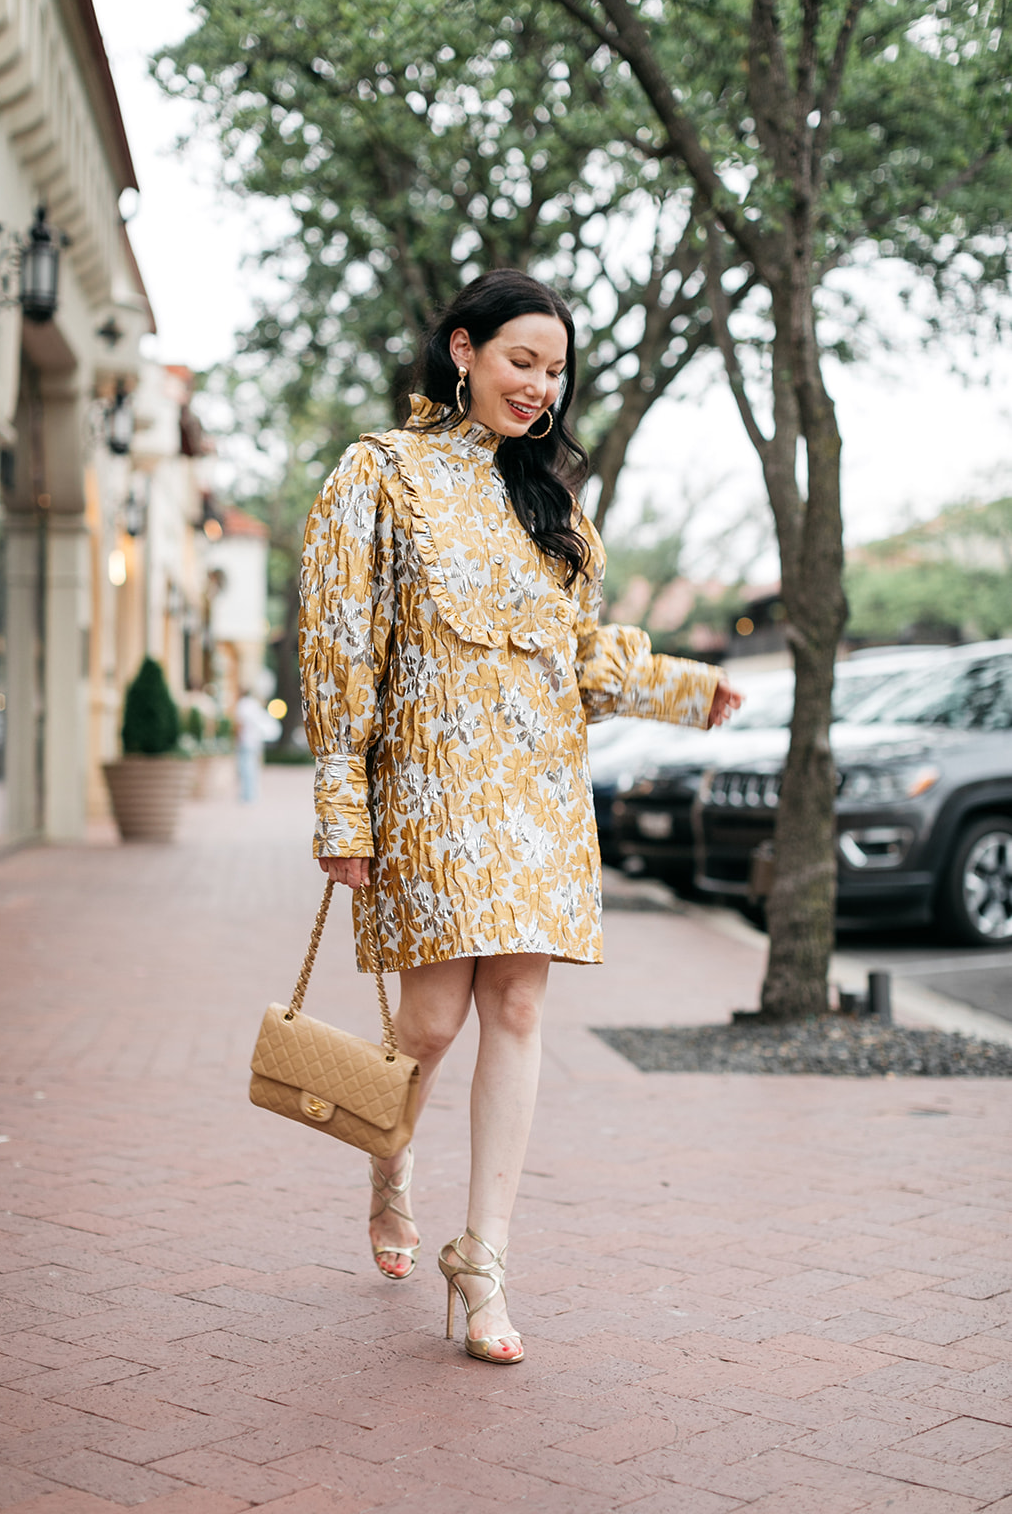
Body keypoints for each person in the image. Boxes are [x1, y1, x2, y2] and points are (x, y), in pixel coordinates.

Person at [298, 269, 741, 1365]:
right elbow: (339, 645)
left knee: (520, 1005)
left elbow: (581, 654)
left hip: (539, 788)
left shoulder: (553, 500)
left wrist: (684, 687)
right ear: (463, 351)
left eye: (553, 370)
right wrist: (341, 806)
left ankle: (482, 1260)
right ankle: (388, 1153)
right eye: (520, 361)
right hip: (429, 788)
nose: (540, 387)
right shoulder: (380, 473)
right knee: (434, 1024)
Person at [233, 689, 276, 803]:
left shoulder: (242, 705)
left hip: (245, 741)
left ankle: (246, 795)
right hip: (256, 741)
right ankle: (252, 794)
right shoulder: (254, 704)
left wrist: (236, 738)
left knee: (245, 768)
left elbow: (239, 724)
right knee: (253, 768)